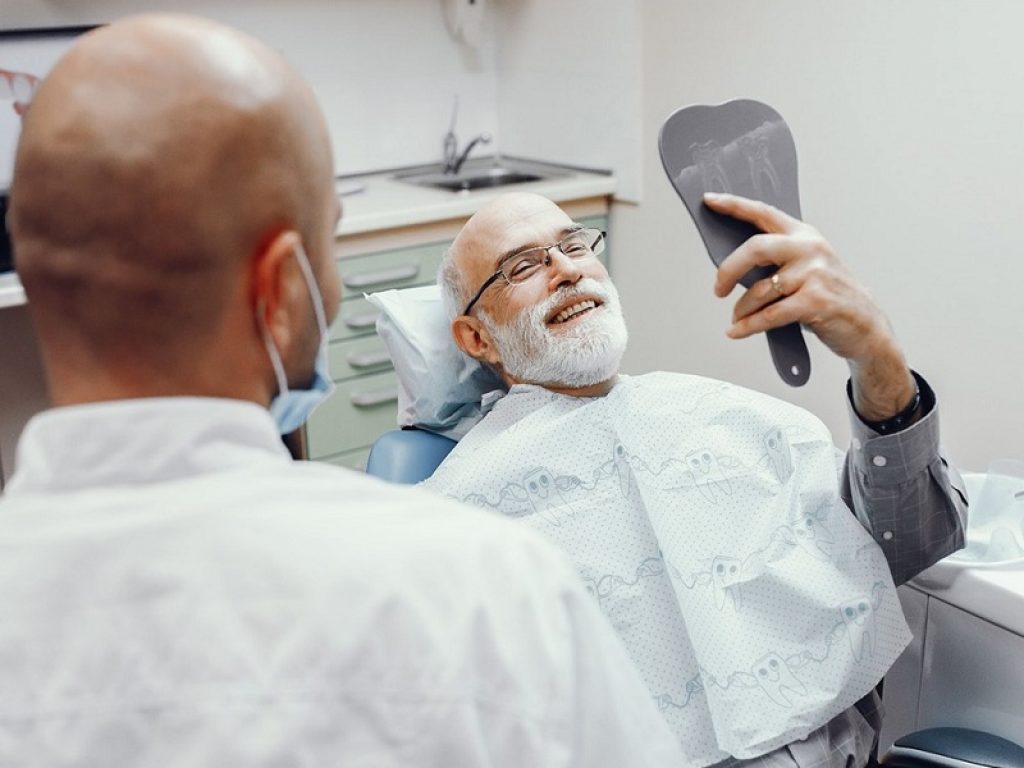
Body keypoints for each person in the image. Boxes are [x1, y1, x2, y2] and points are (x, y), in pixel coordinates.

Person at [0, 16, 686, 765]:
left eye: (573, 247)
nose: (567, 269)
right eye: (331, 240)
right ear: (281, 290)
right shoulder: (480, 590)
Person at [427, 191, 968, 768]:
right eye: (524, 266)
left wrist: (875, 353)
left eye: (574, 244)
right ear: (476, 338)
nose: (566, 269)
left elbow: (913, 542)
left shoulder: (728, 417)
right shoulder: (454, 513)